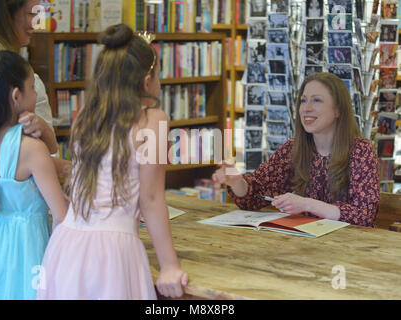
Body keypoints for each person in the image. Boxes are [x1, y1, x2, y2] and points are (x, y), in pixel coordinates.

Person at [37, 24, 188, 300]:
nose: (160, 82)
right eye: (158, 75)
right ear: (146, 81)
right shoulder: (153, 120)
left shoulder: (86, 116)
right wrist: (169, 265)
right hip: (111, 251)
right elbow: (151, 199)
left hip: (65, 244)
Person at [213, 72, 380, 227]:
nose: (306, 108)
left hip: (349, 248)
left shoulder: (361, 151)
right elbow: (255, 197)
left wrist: (306, 204)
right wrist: (237, 181)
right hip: (303, 244)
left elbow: (363, 215)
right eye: (303, 100)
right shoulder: (292, 149)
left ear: (338, 110)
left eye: (316, 100)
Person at [0, 48, 68, 299]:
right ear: (16, 96)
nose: (37, 92)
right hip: (27, 253)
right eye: (33, 86)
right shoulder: (31, 149)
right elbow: (61, 215)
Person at [0, 0, 71, 177]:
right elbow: (47, 157)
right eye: (31, 14)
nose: (37, 22)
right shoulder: (25, 85)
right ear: (5, 17)